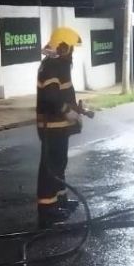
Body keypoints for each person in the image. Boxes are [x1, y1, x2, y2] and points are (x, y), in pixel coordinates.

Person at [36, 27, 94, 228]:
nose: (72, 53)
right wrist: (67, 111)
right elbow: (50, 99)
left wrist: (75, 109)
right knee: (50, 167)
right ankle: (47, 209)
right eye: (71, 48)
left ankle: (59, 201)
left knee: (59, 163)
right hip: (51, 125)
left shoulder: (58, 65)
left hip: (59, 125)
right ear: (62, 48)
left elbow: (62, 94)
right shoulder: (52, 66)